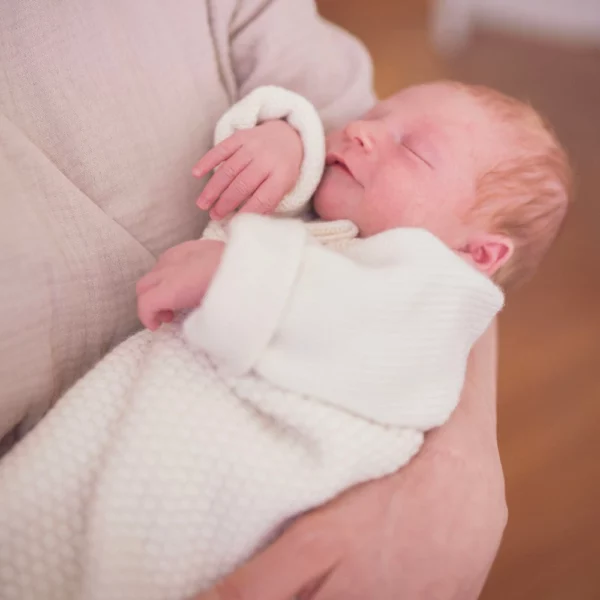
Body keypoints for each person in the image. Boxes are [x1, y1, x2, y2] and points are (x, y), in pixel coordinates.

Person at [0, 1, 507, 597]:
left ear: (478, 257)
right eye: (379, 116)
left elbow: (350, 320)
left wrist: (235, 272)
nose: (365, 128)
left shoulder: (426, 301)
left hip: (233, 486)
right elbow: (310, 184)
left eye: (413, 149)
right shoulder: (357, 238)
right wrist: (290, 143)